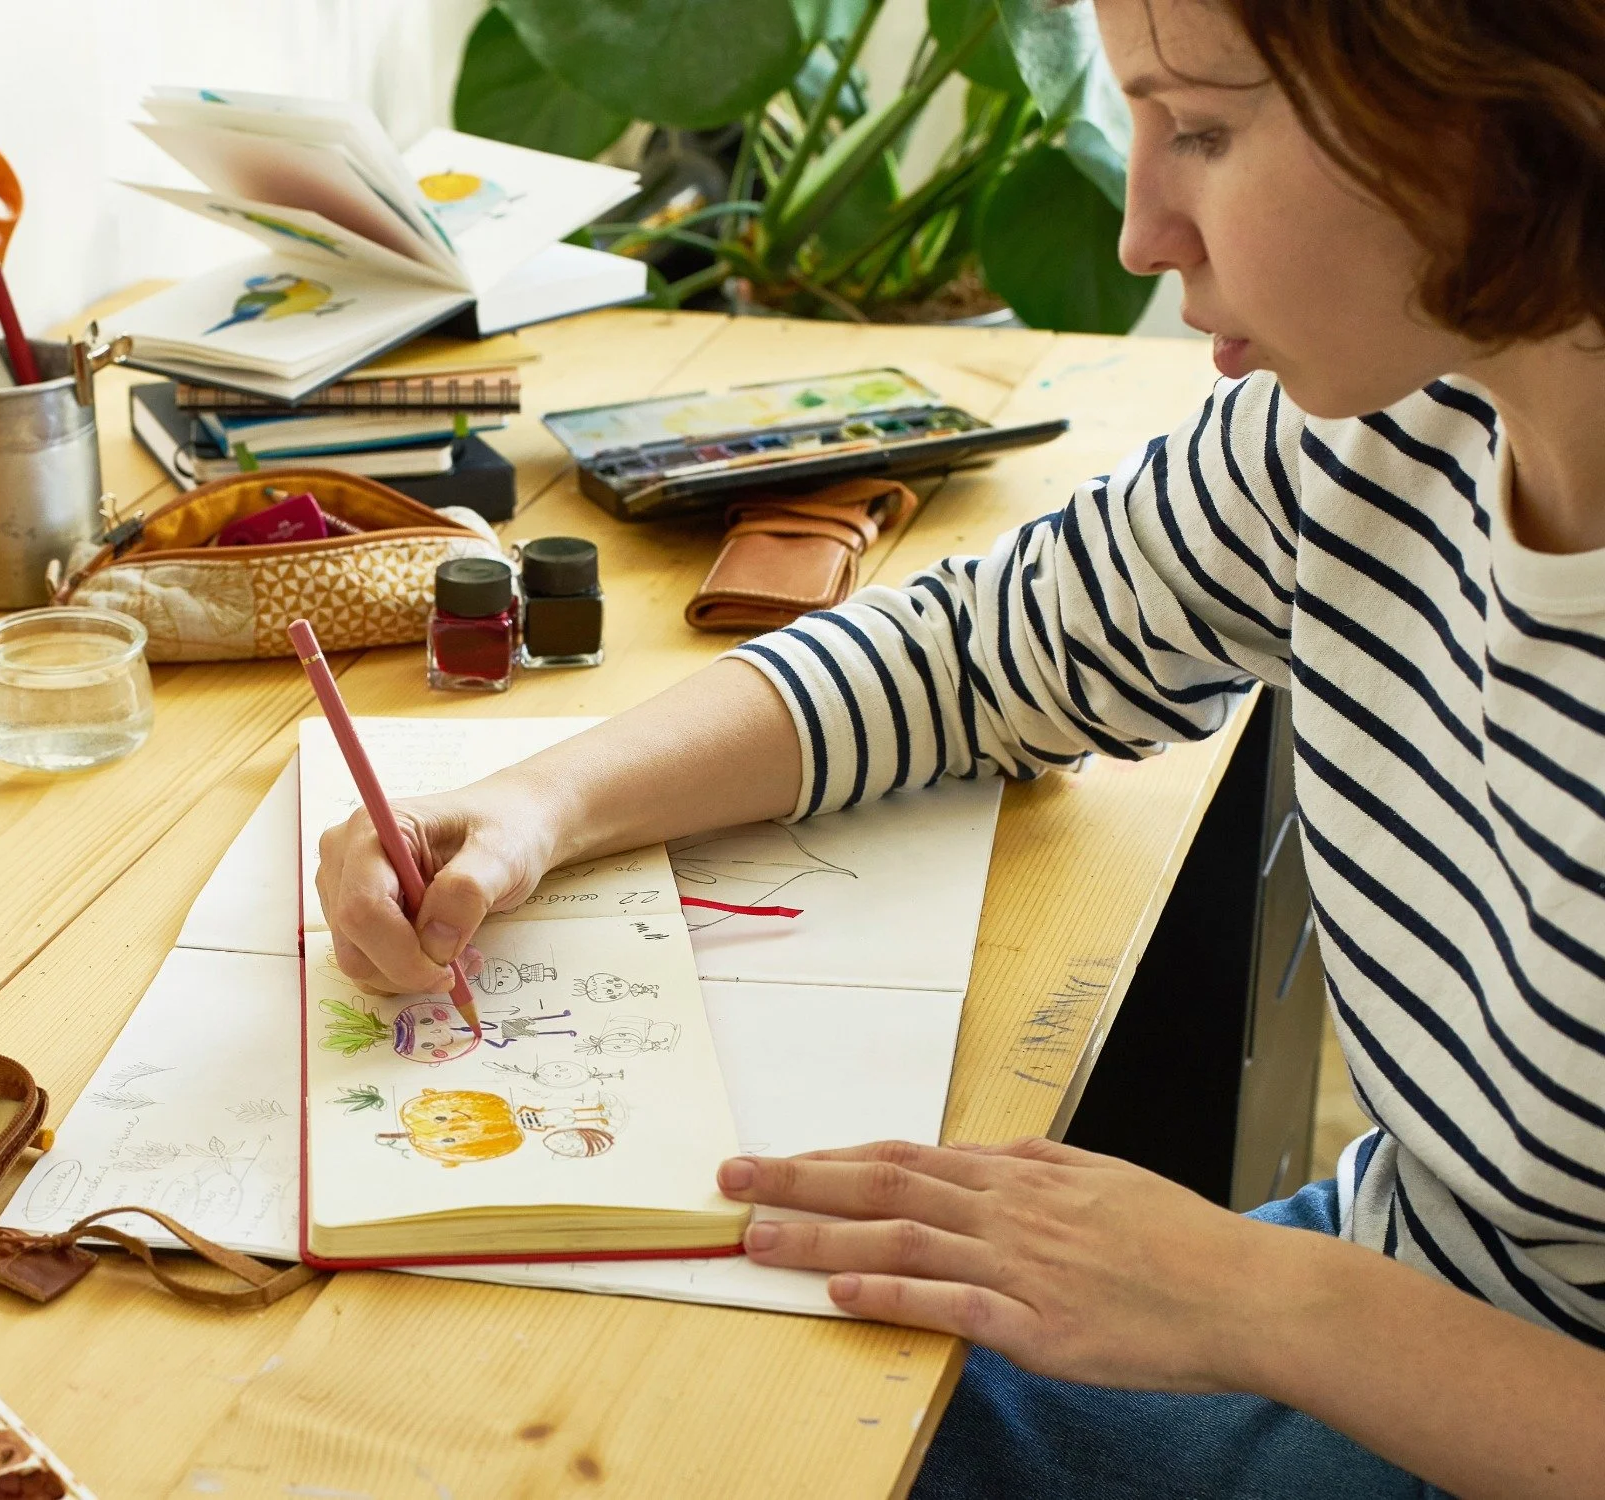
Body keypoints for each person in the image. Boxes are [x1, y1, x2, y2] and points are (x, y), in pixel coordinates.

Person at [312, 0, 1605, 1492]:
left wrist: (1270, 1307)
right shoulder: (1381, 430)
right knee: (717, 1390)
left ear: (1487, 107)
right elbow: (979, 648)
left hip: (1462, 1391)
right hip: (1408, 1282)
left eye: (1199, 129)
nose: (1140, 235)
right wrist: (540, 801)